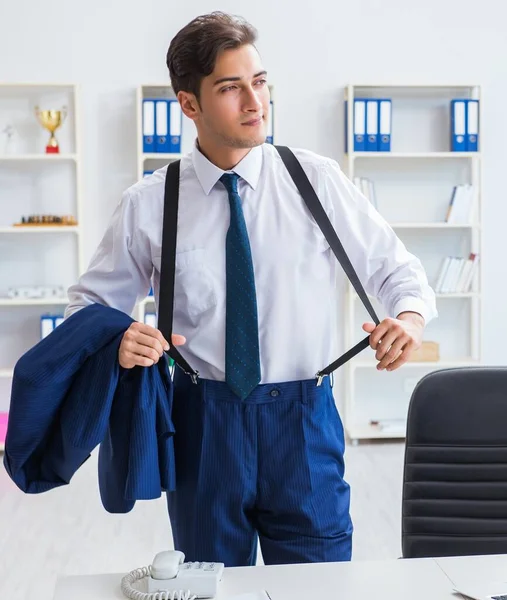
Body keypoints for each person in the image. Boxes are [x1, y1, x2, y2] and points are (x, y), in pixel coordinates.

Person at [65, 11, 437, 567]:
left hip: (305, 426)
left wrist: (407, 319)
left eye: (259, 82)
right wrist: (118, 339)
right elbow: (88, 308)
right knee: (210, 584)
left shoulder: (317, 181)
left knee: (322, 584)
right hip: (204, 429)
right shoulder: (149, 203)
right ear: (189, 104)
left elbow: (398, 271)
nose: (254, 101)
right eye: (230, 87)